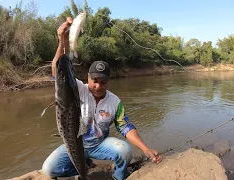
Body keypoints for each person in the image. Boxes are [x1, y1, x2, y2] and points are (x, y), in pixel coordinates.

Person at [42, 17, 162, 180]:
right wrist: (62, 40)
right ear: (88, 78)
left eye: (103, 81)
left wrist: (146, 149)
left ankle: (118, 177)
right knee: (49, 169)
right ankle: (85, 167)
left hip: (99, 145)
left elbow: (125, 127)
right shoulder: (77, 89)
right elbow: (58, 71)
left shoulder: (115, 102)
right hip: (75, 145)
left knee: (125, 150)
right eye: (95, 81)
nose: (98, 86)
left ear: (108, 81)